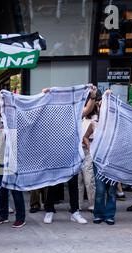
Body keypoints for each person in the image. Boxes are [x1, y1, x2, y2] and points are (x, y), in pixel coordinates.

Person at [40, 85, 99, 225]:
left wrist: (92, 96)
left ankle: (74, 212)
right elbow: (39, 109)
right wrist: (44, 95)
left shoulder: (73, 112)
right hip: (55, 154)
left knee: (73, 184)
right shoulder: (50, 112)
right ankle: (49, 210)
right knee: (54, 184)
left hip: (71, 154)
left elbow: (88, 109)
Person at [0, 103, 26, 228]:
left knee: (15, 189)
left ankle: (21, 217)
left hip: (10, 160)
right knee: (1, 189)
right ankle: (3, 216)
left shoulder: (8, 123)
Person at [83, 92, 117, 225]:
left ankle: (110, 215)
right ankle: (98, 214)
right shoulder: (94, 123)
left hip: (113, 162)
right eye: (103, 105)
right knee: (100, 189)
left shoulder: (117, 124)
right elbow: (85, 137)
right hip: (99, 161)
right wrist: (91, 148)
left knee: (112, 191)